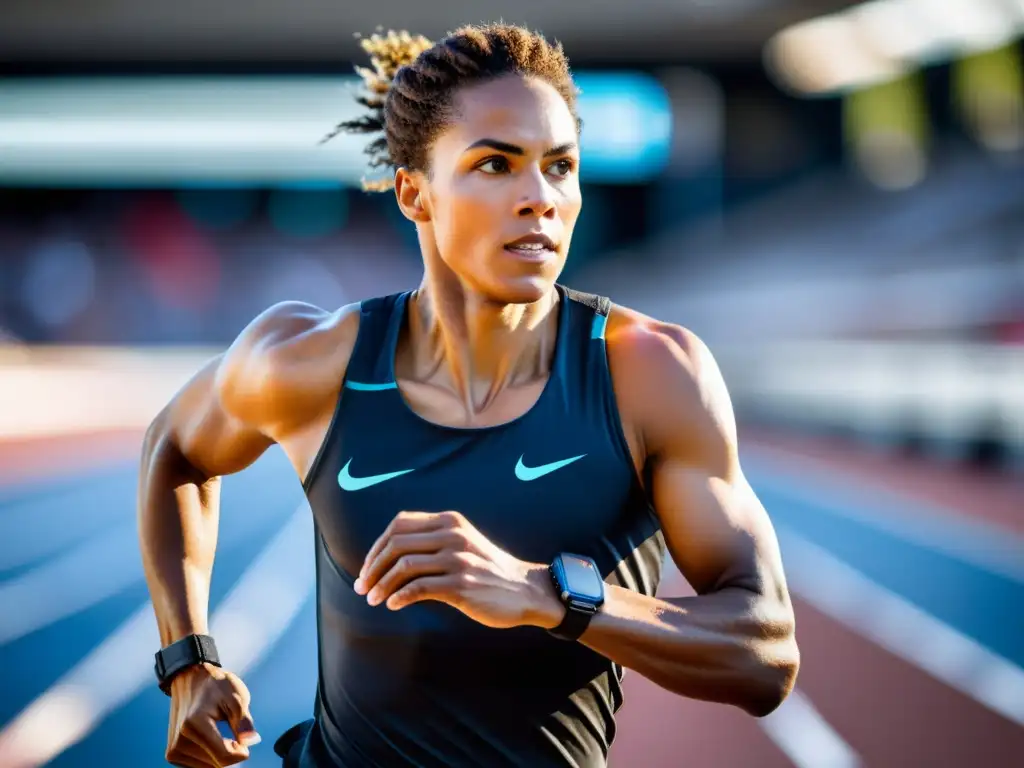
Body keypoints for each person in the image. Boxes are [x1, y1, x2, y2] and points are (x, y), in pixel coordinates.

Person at [138, 23, 799, 768]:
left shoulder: (649, 372)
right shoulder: (312, 362)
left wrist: (548, 596)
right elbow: (174, 449)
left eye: (560, 167)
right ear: (414, 194)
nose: (540, 199)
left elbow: (765, 652)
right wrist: (188, 661)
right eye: (496, 164)